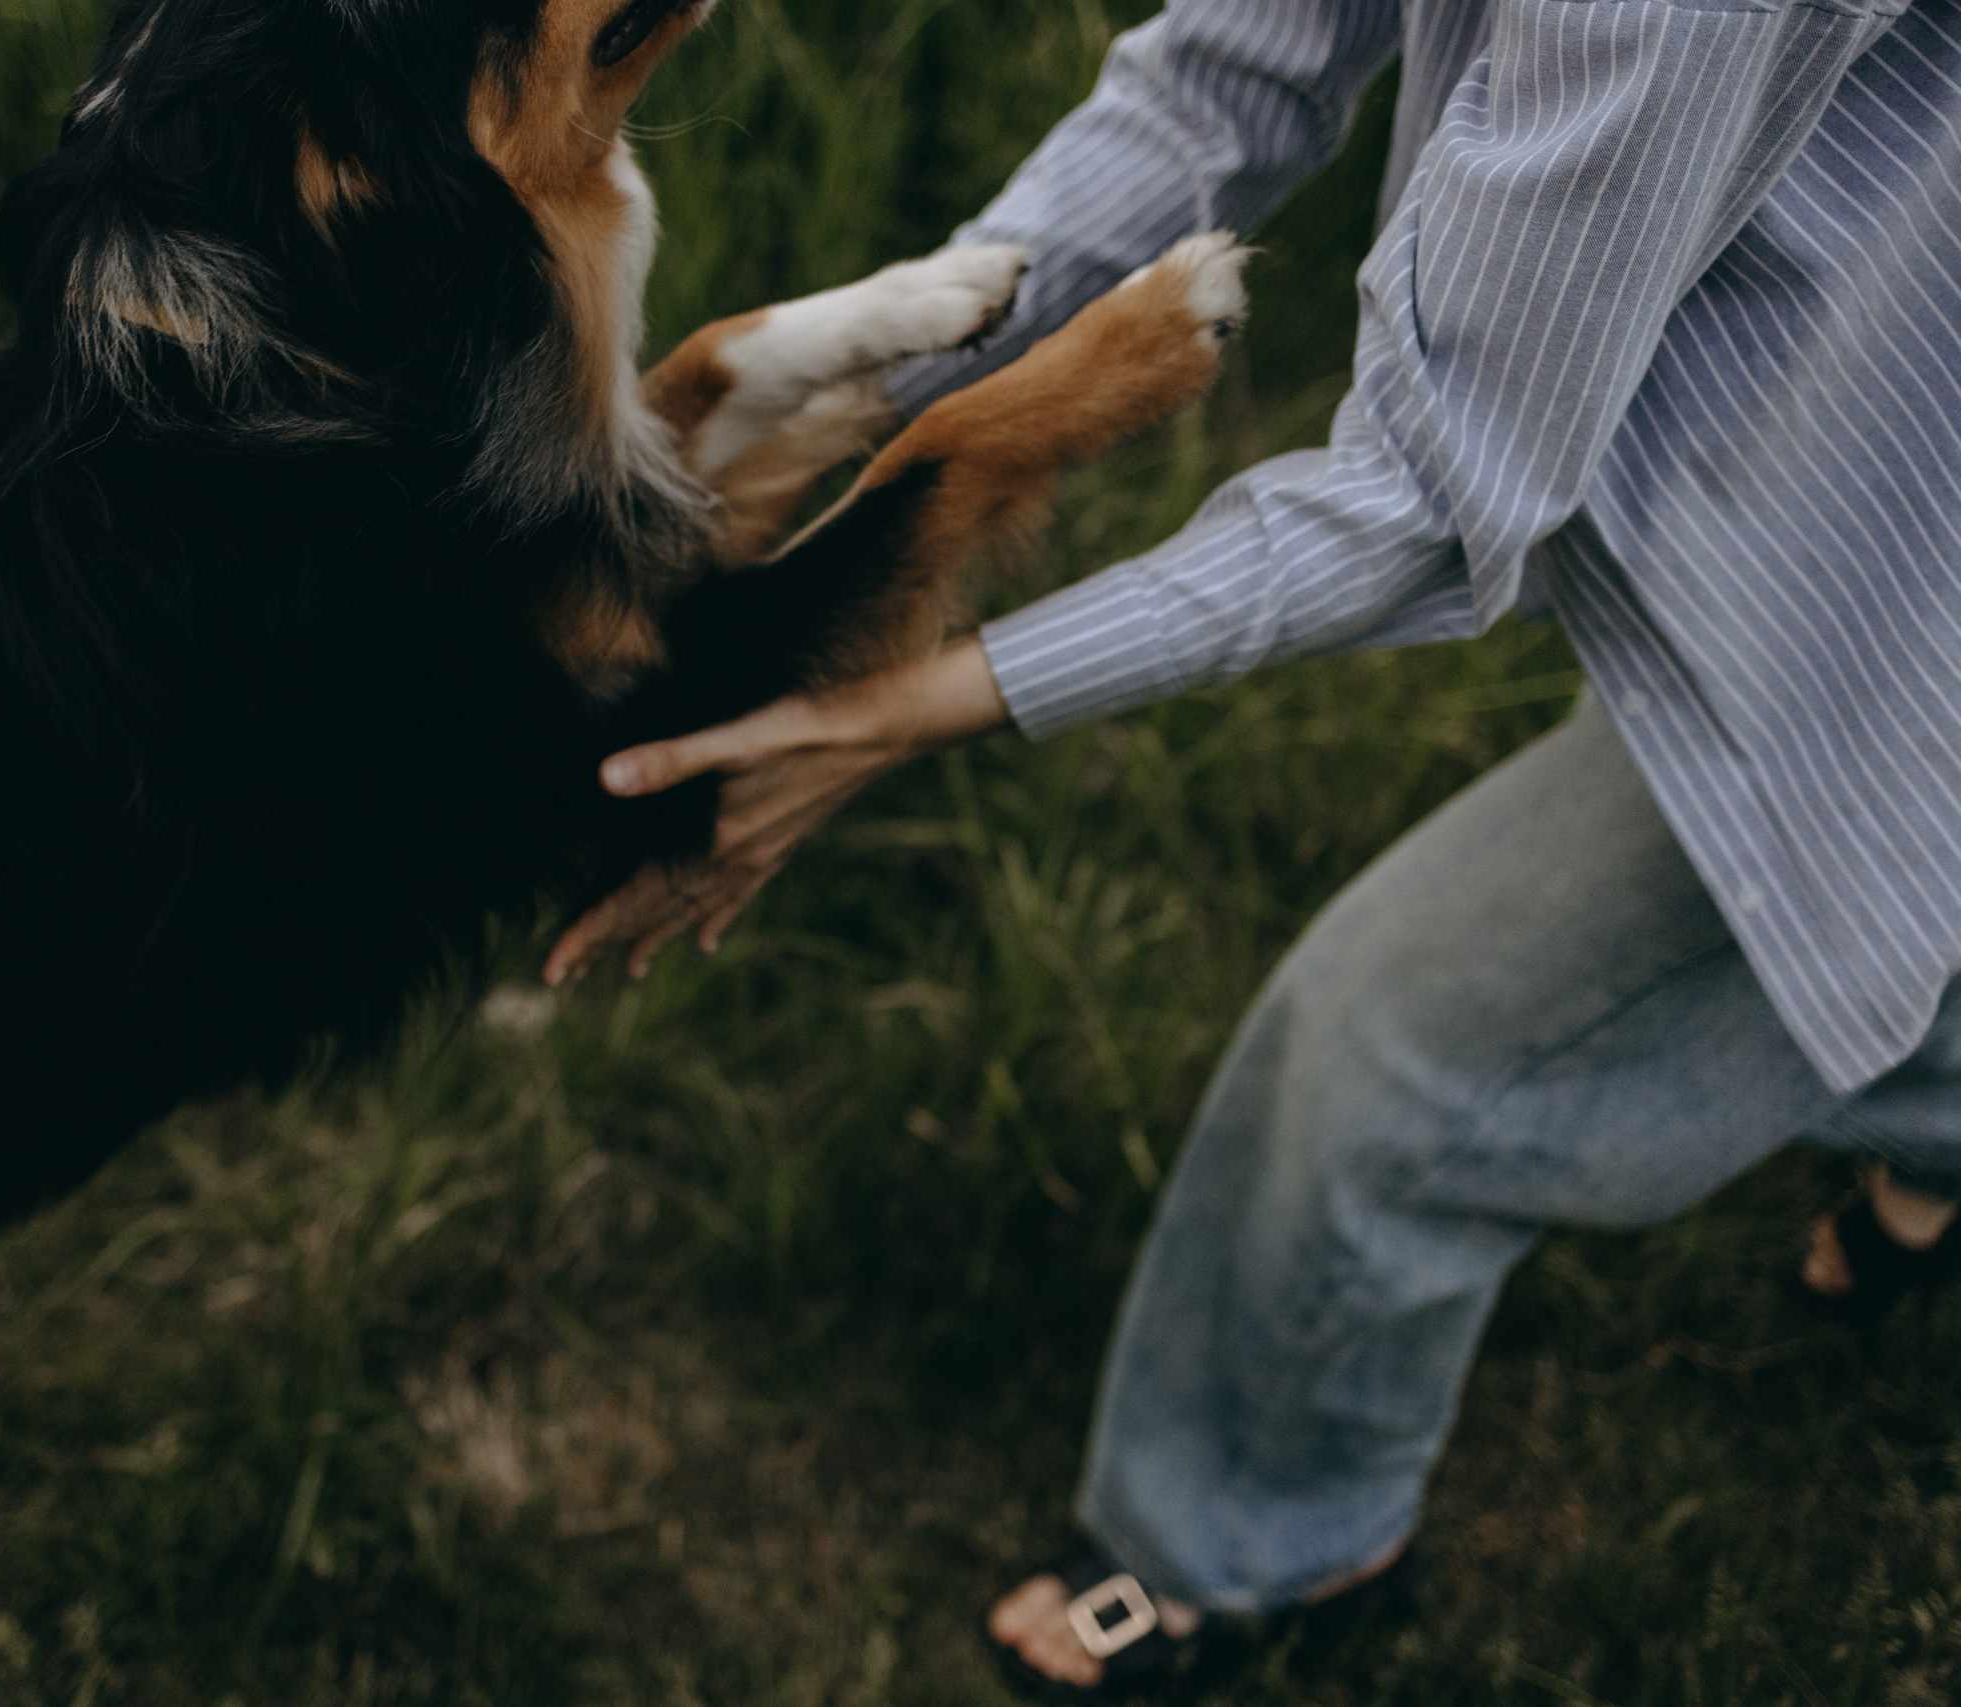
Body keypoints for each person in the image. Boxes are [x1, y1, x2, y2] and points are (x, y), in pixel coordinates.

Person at [545, 0, 1961, 1690]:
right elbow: (1239, 73)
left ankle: (1259, 1544)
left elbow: (1443, 490)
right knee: (1826, 962)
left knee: (1391, 1061)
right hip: (1843, 427)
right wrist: (897, 359)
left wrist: (897, 708)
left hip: (1896, 592)